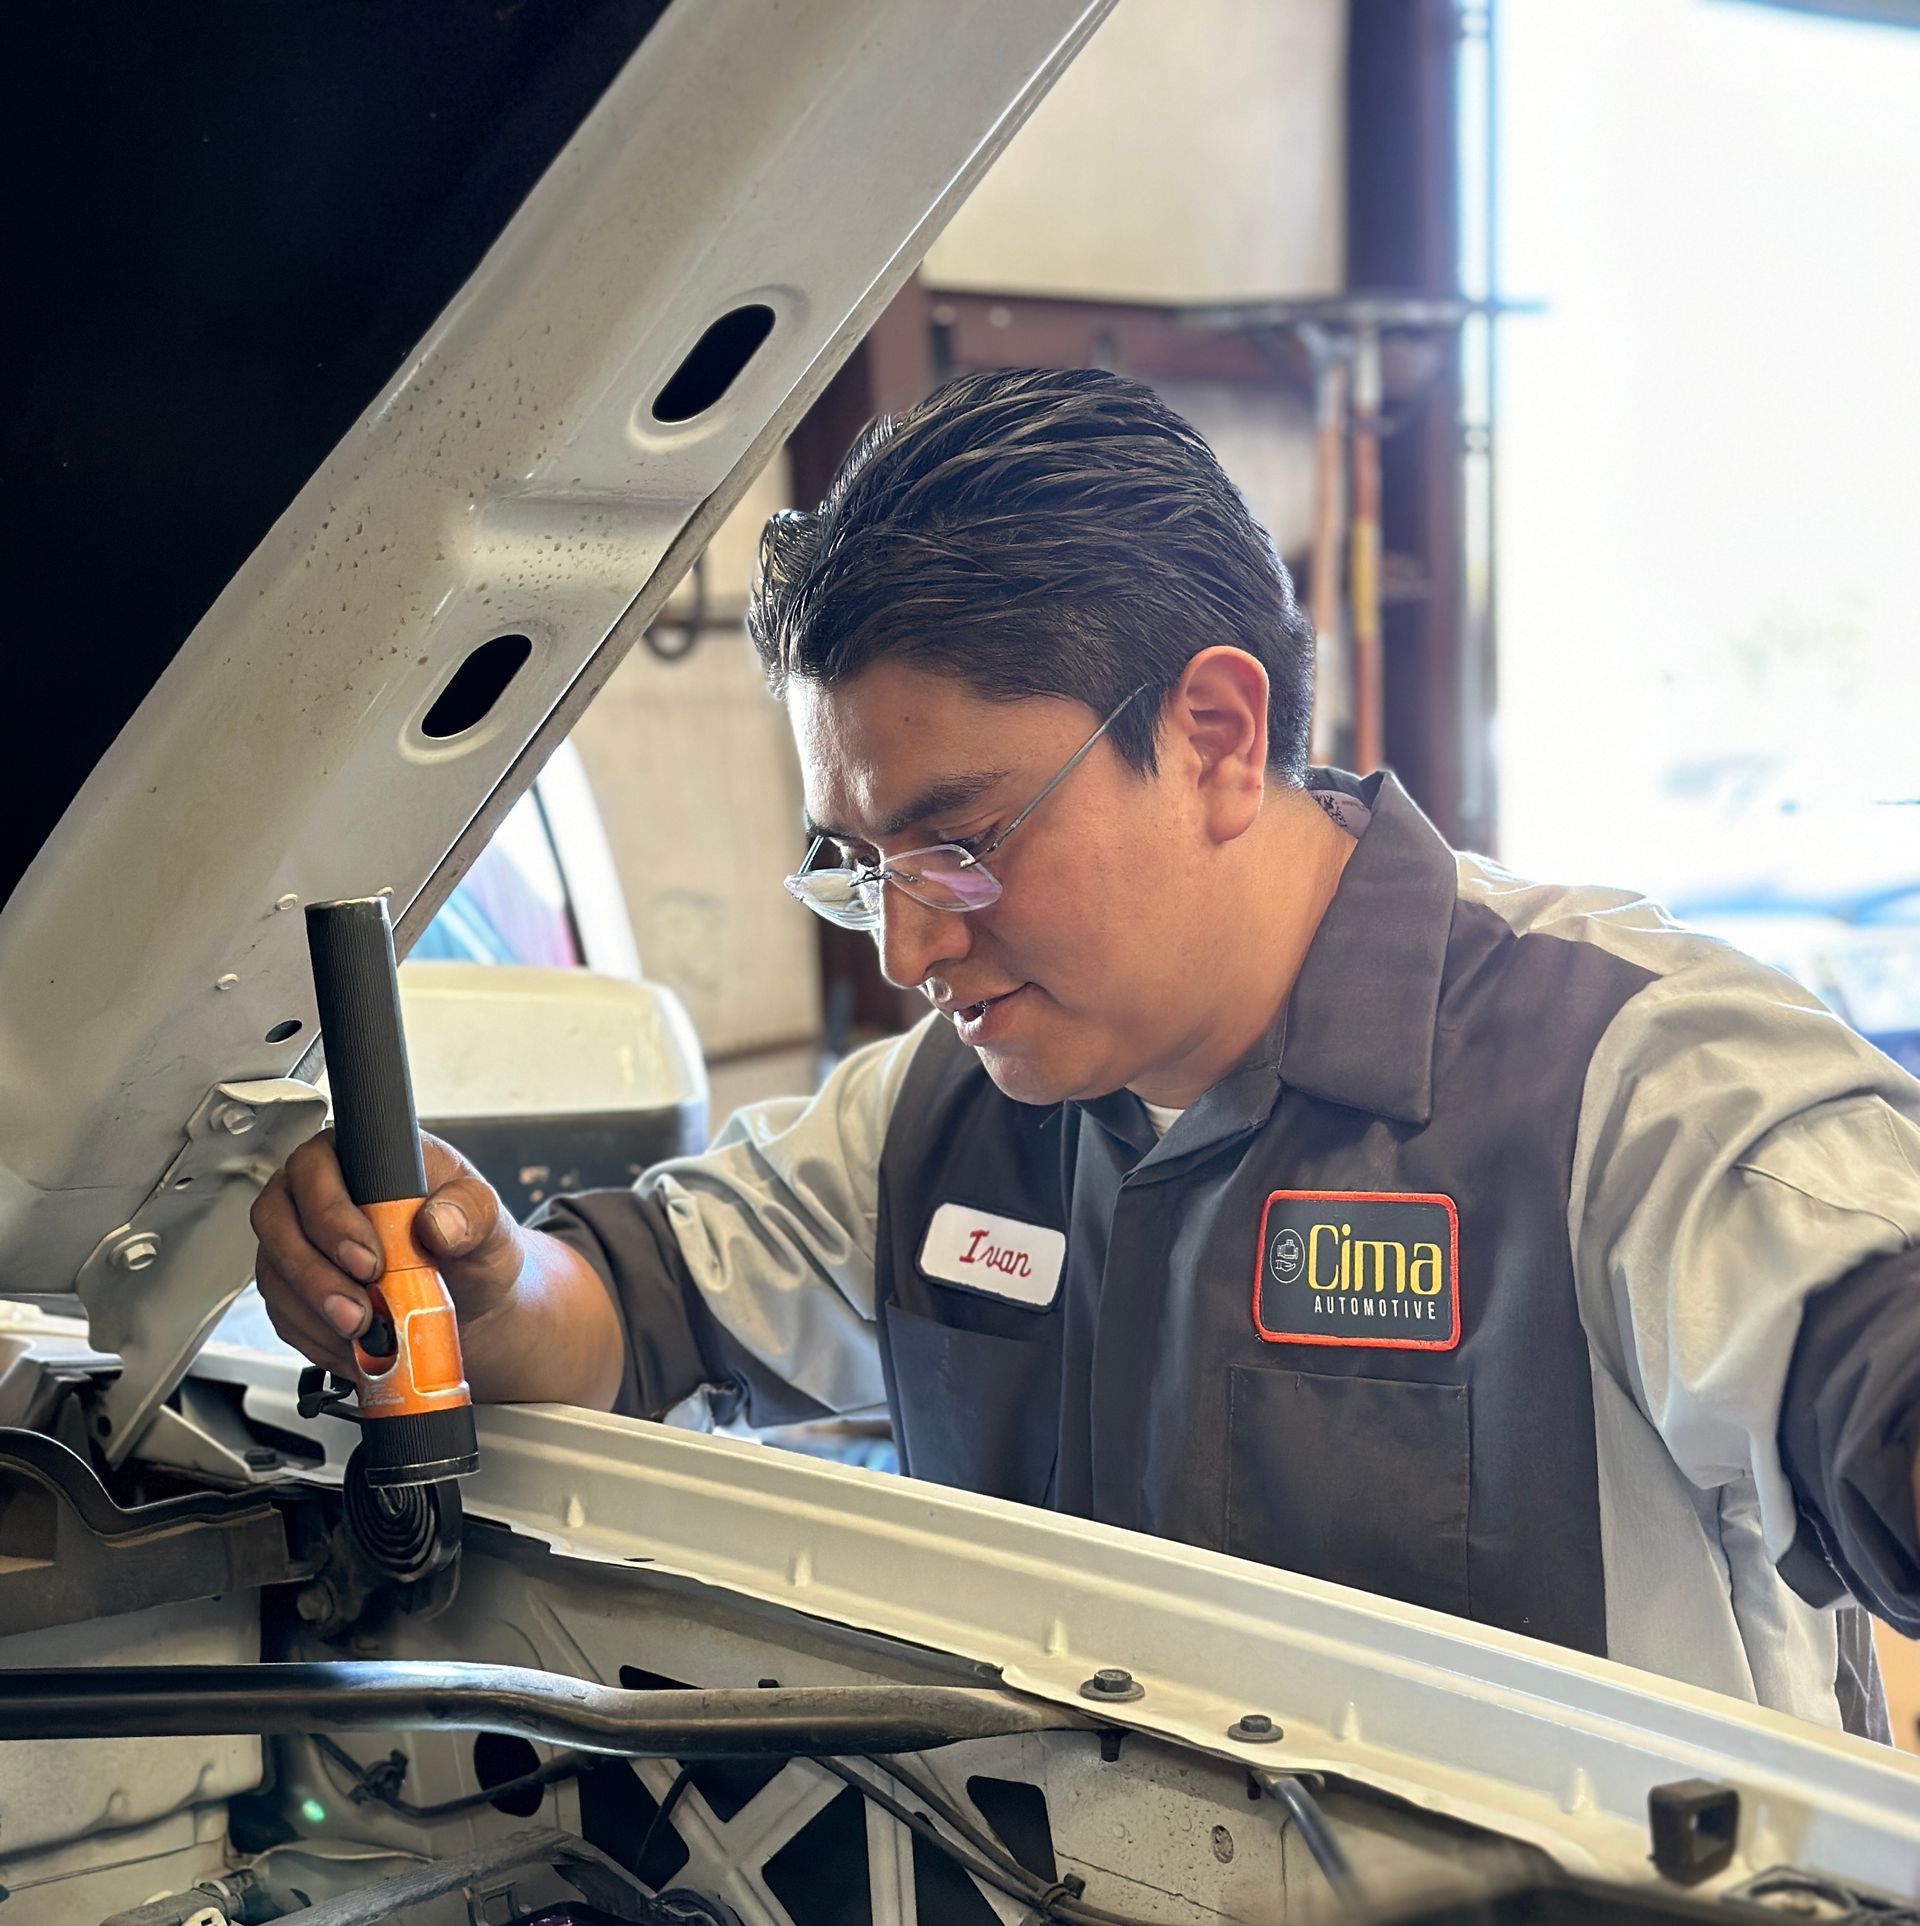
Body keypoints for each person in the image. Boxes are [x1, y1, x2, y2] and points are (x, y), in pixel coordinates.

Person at [254, 366, 1920, 1740]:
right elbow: (632, 1311)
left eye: (959, 841)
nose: (908, 952)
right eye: (862, 867)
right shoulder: (940, 1117)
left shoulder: (1625, 1089)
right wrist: (469, 1283)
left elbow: (1869, 1361)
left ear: (1212, 735)